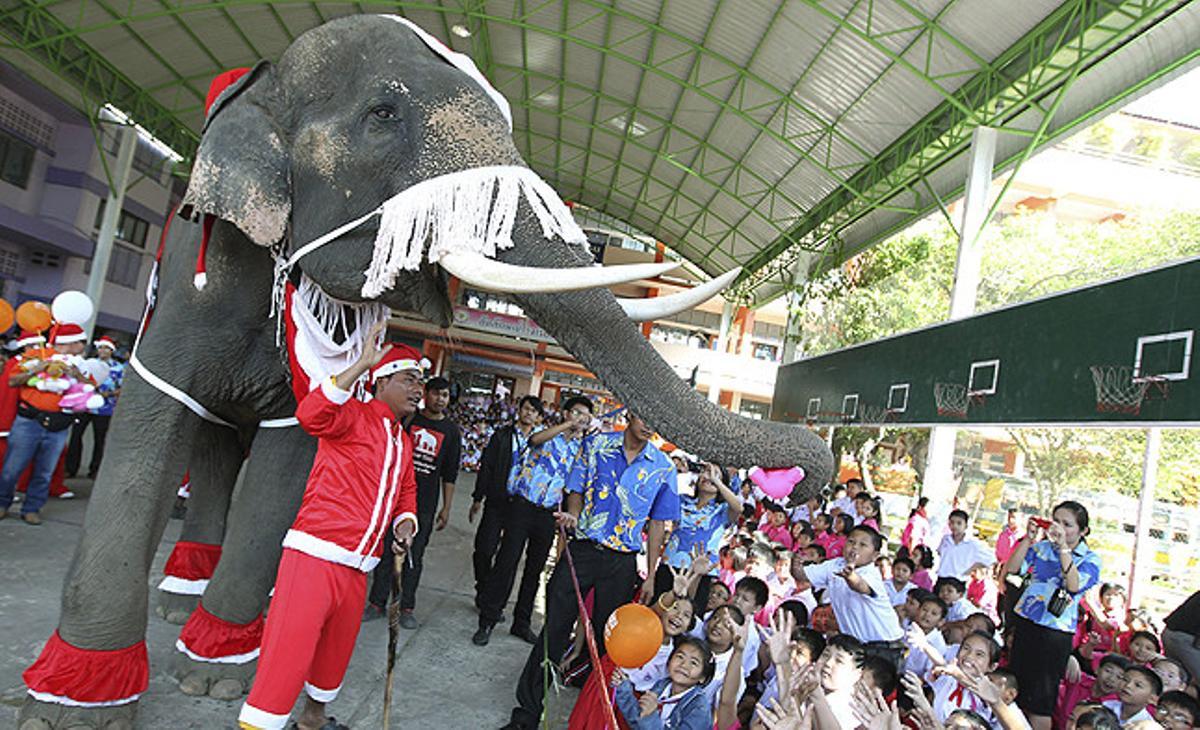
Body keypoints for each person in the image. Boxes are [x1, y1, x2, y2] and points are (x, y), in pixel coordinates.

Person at [237, 328, 422, 730]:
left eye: (420, 381)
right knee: (288, 653)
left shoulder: (402, 442)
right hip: (315, 556)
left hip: (359, 566)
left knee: (333, 654)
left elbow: (406, 491)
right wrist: (359, 366)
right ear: (382, 380)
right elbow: (310, 414)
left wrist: (405, 522)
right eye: (409, 379)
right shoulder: (351, 415)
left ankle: (312, 720)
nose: (418, 389)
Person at [501, 412, 678, 730]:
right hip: (582, 550)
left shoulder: (664, 467)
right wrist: (572, 516)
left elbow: (657, 524)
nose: (650, 423)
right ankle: (526, 715)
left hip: (622, 563)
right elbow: (575, 490)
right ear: (629, 413)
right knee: (553, 632)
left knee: (609, 643)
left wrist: (650, 574)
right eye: (643, 415)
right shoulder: (595, 445)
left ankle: (593, 718)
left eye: (657, 418)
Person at [474, 396, 593, 646]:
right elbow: (533, 441)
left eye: (585, 416)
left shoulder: (580, 450)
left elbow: (575, 487)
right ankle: (488, 620)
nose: (580, 419)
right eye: (577, 413)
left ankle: (522, 623)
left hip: (548, 514)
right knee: (506, 563)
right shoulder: (546, 433)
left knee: (534, 571)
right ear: (566, 413)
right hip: (522, 507)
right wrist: (567, 425)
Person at [365, 376, 460, 627]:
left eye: (445, 395)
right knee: (385, 550)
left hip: (425, 506)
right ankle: (376, 602)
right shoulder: (408, 419)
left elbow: (450, 473)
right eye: (436, 393)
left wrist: (446, 508)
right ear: (425, 394)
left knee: (413, 557)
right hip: (394, 499)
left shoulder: (451, 432)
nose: (440, 399)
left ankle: (406, 607)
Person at [1005, 501, 1102, 730]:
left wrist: (1064, 550)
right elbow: (1012, 570)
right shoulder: (1042, 547)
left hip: (1054, 633)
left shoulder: (1090, 559)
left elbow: (1074, 585)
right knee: (1015, 691)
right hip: (1027, 623)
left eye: (1067, 524)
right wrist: (1028, 539)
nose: (1059, 528)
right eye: (1056, 521)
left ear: (1083, 531)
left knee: (1040, 703)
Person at [0, 323, 89, 525]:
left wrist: (77, 375)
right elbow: (13, 381)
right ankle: (2, 502)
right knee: (12, 467)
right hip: (28, 421)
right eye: (81, 342)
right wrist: (37, 370)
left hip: (58, 425)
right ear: (70, 343)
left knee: (44, 471)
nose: (83, 346)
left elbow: (90, 388)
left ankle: (32, 508)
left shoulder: (79, 363)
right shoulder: (37, 355)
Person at [791, 524, 905, 667]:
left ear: (875, 555)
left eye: (863, 545)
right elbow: (803, 576)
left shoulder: (871, 573)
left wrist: (850, 576)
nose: (855, 547)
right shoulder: (834, 565)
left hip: (885, 646)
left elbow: (860, 586)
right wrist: (795, 564)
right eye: (851, 541)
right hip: (856, 645)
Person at [469, 395, 543, 609]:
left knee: (507, 559)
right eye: (525, 408)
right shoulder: (501, 436)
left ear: (538, 417)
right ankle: (483, 587)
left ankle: (492, 601)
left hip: (521, 507)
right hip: (497, 501)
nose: (528, 413)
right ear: (518, 411)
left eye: (533, 411)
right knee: (483, 549)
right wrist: (477, 497)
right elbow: (487, 466)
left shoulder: (542, 443)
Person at [656, 461, 741, 613]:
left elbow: (738, 507)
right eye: (705, 472)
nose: (707, 476)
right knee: (659, 610)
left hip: (702, 572)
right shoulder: (682, 500)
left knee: (687, 618)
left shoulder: (722, 511)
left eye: (715, 474)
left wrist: (717, 481)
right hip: (670, 564)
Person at [610, 636, 716, 730]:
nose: (684, 665)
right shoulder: (662, 686)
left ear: (703, 677)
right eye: (680, 657)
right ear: (669, 661)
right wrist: (623, 686)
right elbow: (636, 721)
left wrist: (650, 716)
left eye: (693, 663)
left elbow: (647, 718)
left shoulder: (699, 708)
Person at [65, 335, 123, 478]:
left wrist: (108, 394)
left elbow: (123, 389)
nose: (103, 351)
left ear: (112, 351)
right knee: (76, 436)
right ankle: (70, 468)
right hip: (85, 405)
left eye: (107, 348)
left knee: (99, 439)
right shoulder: (88, 363)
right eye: (101, 347)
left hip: (105, 409)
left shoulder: (119, 368)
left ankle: (95, 470)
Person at [938, 509, 995, 580]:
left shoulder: (972, 544)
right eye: (952, 523)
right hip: (941, 577)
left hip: (958, 580)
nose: (955, 526)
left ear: (966, 525)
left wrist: (970, 570)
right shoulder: (946, 539)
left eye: (959, 523)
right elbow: (939, 553)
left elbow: (991, 559)